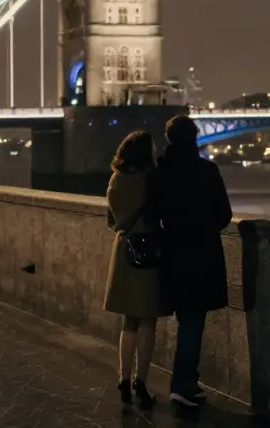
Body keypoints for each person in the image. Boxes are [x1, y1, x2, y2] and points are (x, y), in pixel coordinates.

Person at [150, 115, 232, 408]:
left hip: (172, 252)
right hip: (202, 253)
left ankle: (185, 380)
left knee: (184, 317)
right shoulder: (207, 171)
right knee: (193, 320)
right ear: (195, 138)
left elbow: (152, 214)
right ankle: (182, 384)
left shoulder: (159, 173)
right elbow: (224, 215)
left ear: (169, 138)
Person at [102, 130, 169, 408]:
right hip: (150, 250)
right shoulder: (153, 178)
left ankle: (123, 377)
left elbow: (111, 219)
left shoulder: (116, 179)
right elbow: (163, 212)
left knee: (128, 321)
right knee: (148, 320)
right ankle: (141, 381)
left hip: (125, 250)